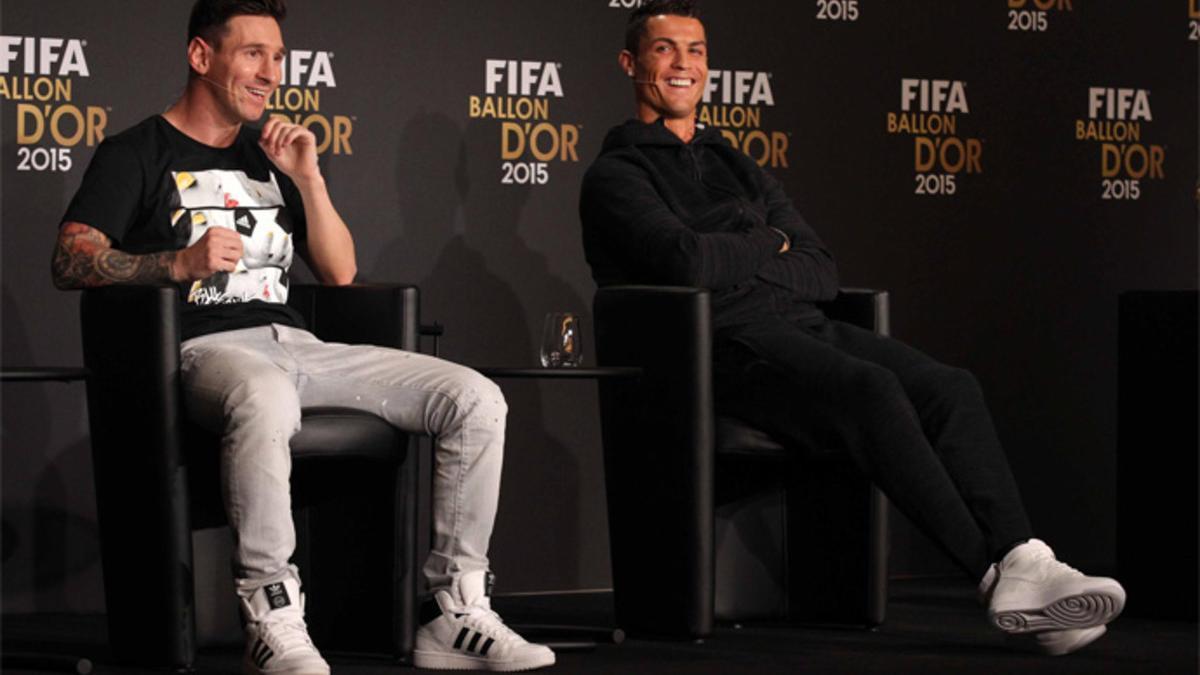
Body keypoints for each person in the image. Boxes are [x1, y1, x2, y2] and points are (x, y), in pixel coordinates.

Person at [579, 0, 1125, 657]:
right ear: (631, 63)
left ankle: (1025, 559)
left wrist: (748, 250)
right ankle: (994, 578)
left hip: (803, 327)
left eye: (694, 51)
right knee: (871, 391)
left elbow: (821, 271)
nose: (682, 65)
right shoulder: (617, 174)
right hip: (721, 348)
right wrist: (767, 242)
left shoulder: (738, 162)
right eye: (665, 49)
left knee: (951, 387)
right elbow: (686, 262)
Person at [51, 1, 554, 672]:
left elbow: (341, 269)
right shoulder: (136, 152)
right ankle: (274, 615)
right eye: (253, 53)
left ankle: (454, 610)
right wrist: (172, 263)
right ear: (202, 57)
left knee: (474, 396)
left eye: (279, 56)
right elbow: (70, 258)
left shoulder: (269, 157)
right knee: (264, 393)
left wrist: (308, 177)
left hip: (299, 346)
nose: (271, 73)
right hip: (204, 351)